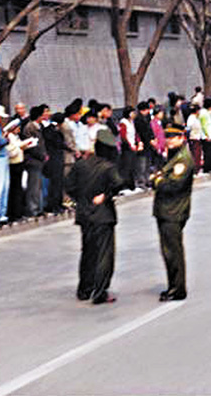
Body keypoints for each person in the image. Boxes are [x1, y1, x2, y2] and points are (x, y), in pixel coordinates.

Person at [65, 128, 125, 305]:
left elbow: (69, 186)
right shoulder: (108, 168)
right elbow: (119, 184)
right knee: (104, 255)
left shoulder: (80, 165)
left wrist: (82, 199)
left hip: (85, 215)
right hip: (103, 215)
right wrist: (105, 196)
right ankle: (100, 291)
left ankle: (84, 289)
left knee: (88, 253)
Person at [150, 123, 195, 302]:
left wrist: (157, 181)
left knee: (172, 251)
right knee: (168, 250)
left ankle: (177, 289)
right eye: (167, 137)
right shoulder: (174, 156)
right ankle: (173, 285)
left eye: (172, 137)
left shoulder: (183, 160)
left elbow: (173, 185)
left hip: (173, 210)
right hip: (166, 209)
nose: (168, 141)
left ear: (181, 138)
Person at [22, 106, 48, 218]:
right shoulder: (30, 127)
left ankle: (38, 207)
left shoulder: (39, 126)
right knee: (33, 185)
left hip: (39, 160)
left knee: (38, 185)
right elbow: (32, 146)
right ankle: (33, 208)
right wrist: (42, 155)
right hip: (33, 160)